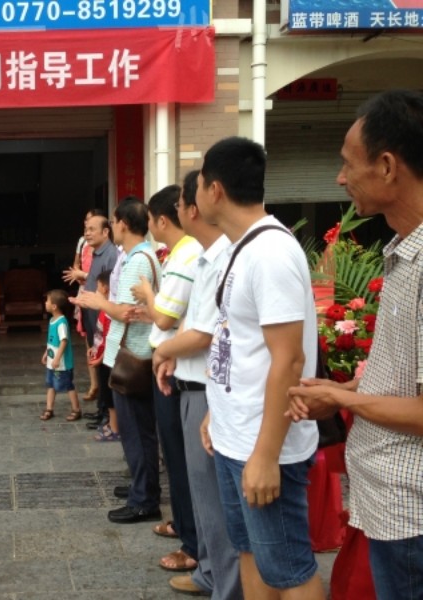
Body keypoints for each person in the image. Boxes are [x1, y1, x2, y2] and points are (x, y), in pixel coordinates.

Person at [287, 89, 423, 600]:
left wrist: (342, 397)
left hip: (412, 514)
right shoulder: (402, 252)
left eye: (348, 164)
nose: (340, 179)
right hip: (389, 505)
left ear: (386, 166)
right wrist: (340, 389)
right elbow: (403, 381)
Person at [197, 137, 324, 599]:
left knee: (288, 568)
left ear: (214, 190)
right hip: (236, 436)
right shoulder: (242, 247)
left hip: (265, 445)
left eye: (197, 185)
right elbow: (241, 343)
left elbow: (289, 358)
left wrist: (266, 455)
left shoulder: (271, 253)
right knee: (250, 552)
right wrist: (216, 409)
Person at [153, 171, 242, 599]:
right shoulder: (206, 256)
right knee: (203, 494)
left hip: (208, 389)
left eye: (181, 203)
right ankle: (210, 573)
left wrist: (163, 351)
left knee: (215, 500)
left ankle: (225, 583)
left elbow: (205, 333)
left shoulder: (223, 256)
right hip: (192, 383)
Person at [72, 197, 162, 524]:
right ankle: (141, 486)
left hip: (133, 357)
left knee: (136, 431)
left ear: (123, 223)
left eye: (113, 221)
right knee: (137, 429)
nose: (113, 227)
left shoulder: (138, 260)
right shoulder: (139, 255)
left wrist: (99, 301)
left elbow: (126, 312)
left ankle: (144, 500)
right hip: (131, 353)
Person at [132, 184, 202, 573]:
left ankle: (191, 542)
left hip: (179, 371)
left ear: (162, 220)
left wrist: (147, 294)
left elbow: (165, 319)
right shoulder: (189, 252)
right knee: (178, 457)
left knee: (179, 458)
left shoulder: (185, 256)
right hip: (176, 364)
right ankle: (185, 525)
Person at [63, 208, 106, 401]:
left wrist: (84, 275)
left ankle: (103, 388)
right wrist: (77, 274)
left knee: (100, 336)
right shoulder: (83, 242)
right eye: (85, 225)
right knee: (89, 338)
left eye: (91, 226)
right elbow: (76, 264)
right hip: (85, 290)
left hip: (99, 293)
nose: (87, 230)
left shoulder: (107, 249)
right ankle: (94, 383)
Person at [39, 289, 82, 422]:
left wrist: (57, 358)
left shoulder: (61, 322)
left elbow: (64, 341)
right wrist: (47, 354)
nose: (45, 303)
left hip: (62, 363)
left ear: (54, 306)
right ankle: (49, 408)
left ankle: (76, 409)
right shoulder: (52, 320)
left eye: (47, 301)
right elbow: (51, 341)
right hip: (52, 362)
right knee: (50, 384)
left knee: (68, 385)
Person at [87, 270, 119, 442]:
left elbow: (110, 338)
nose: (96, 290)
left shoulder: (110, 312)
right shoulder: (104, 310)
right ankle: (112, 425)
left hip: (106, 360)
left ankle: (115, 429)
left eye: (98, 287)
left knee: (110, 396)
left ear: (105, 288)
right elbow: (100, 335)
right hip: (101, 358)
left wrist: (100, 358)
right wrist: (93, 349)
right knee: (106, 394)